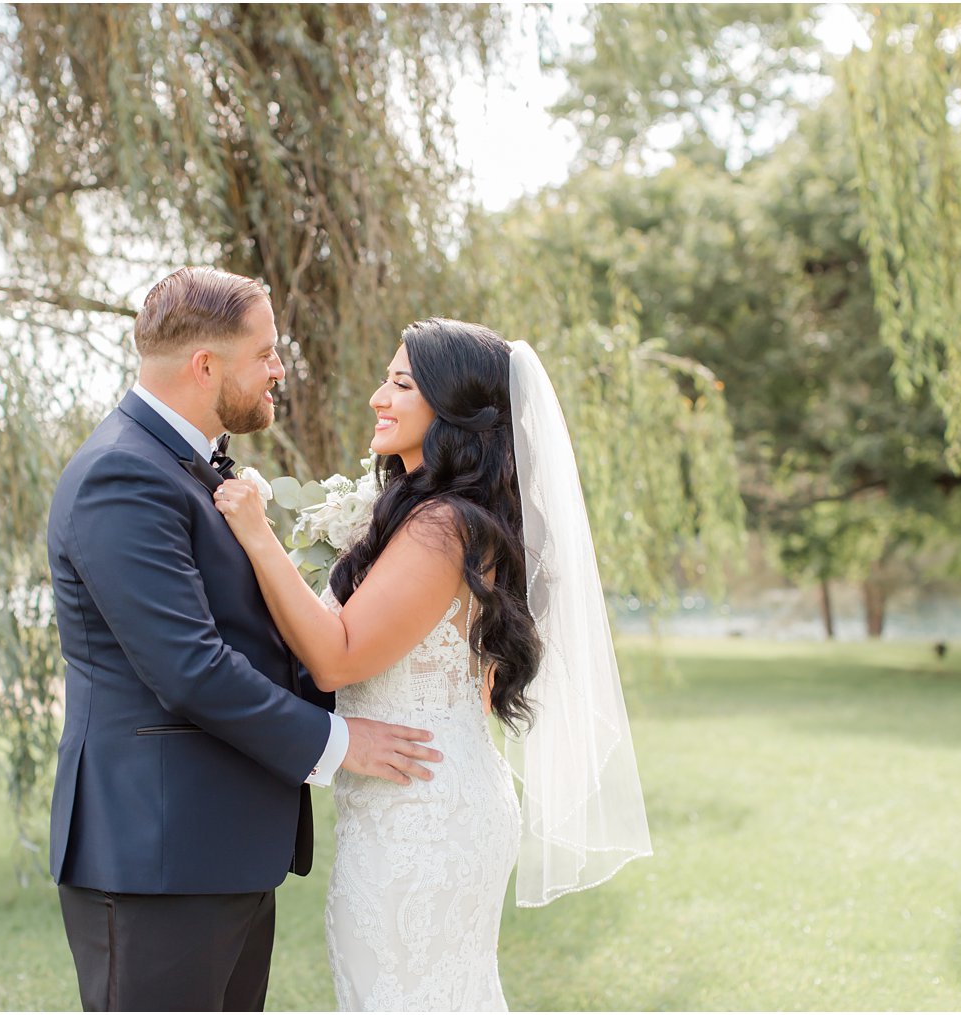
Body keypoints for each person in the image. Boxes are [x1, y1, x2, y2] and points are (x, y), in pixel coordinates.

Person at [214, 318, 653, 1011]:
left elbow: (335, 657)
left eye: (401, 383)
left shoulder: (443, 526)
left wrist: (256, 532)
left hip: (422, 810)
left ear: (453, 409)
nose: (377, 398)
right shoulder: (440, 515)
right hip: (418, 791)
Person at [46, 267, 443, 1012]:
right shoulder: (122, 476)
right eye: (265, 353)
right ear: (206, 366)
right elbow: (190, 668)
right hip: (154, 860)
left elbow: (250, 635)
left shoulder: (185, 468)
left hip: (214, 850)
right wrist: (337, 741)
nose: (279, 369)